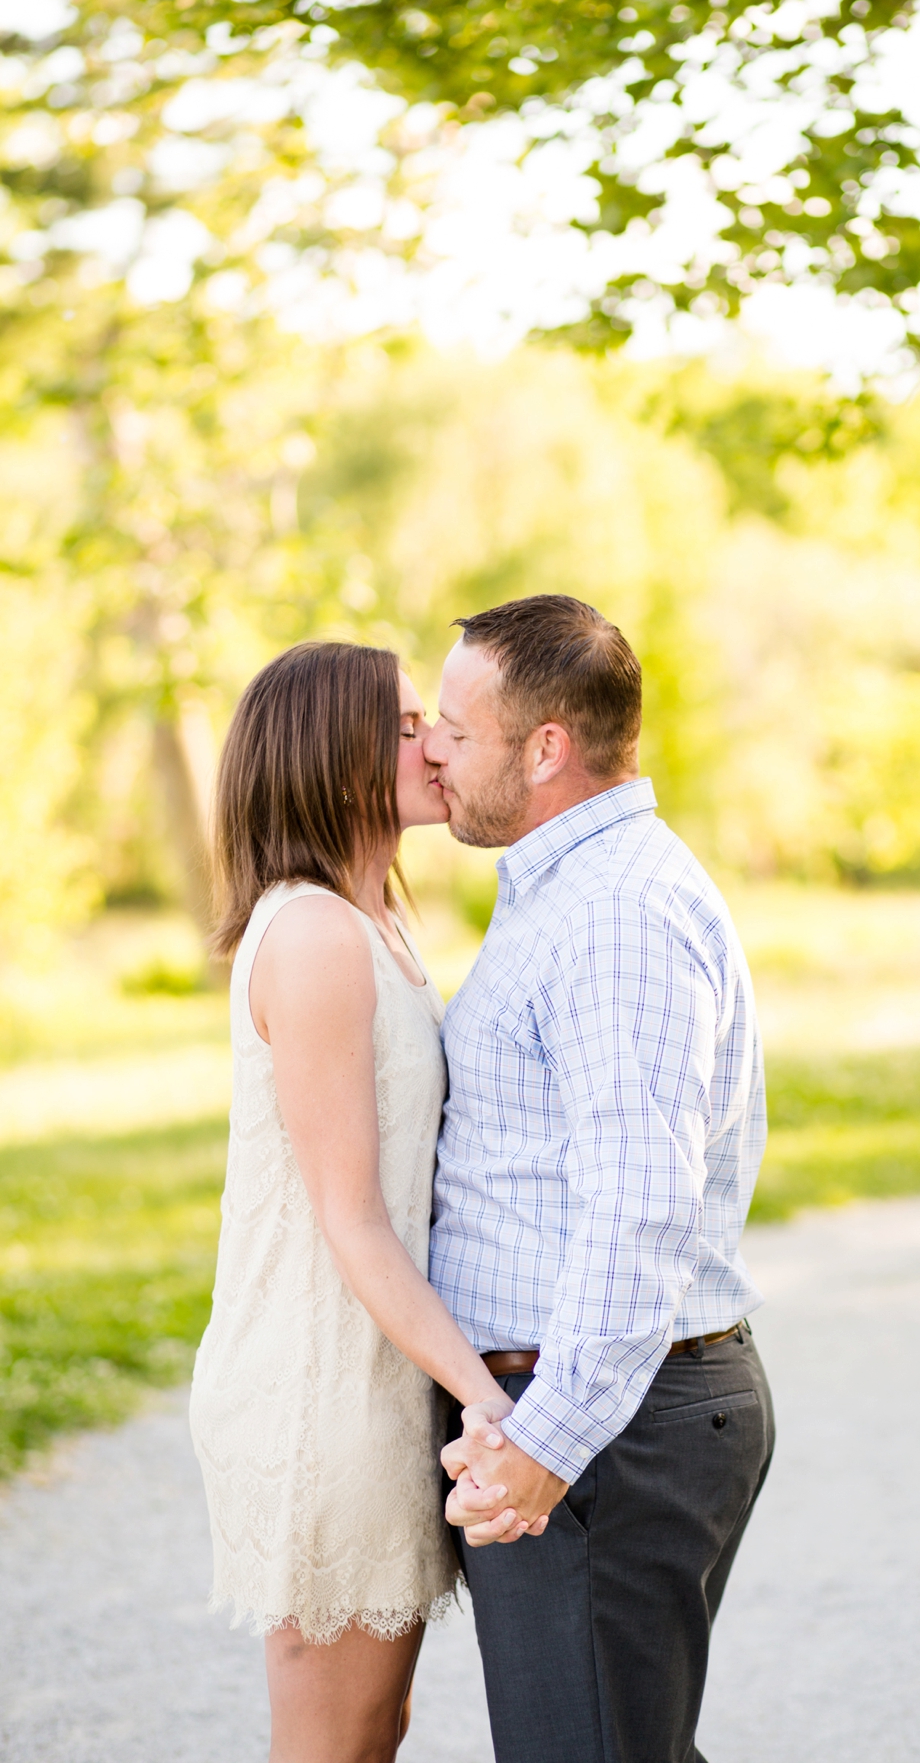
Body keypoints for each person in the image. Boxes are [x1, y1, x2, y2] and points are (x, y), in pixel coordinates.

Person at [426, 594, 775, 1763]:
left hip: (602, 1432)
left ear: (544, 749)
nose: (430, 749)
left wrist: (544, 1443)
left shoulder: (614, 913)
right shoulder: (567, 888)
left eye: (454, 732)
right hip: (587, 1420)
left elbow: (639, 1210)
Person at [189, 640, 540, 1763]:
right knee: (334, 1741)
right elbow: (352, 1216)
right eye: (401, 725)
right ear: (333, 758)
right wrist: (495, 1405)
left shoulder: (377, 922)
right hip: (316, 1387)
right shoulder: (312, 936)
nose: (433, 741)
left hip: (378, 1372)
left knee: (372, 1729)